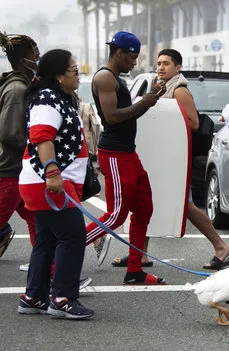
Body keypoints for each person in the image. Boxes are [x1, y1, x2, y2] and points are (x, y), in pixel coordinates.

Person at [83, 31, 167, 285]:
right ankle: (59, 253)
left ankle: (134, 270)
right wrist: (147, 102)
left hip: (127, 153)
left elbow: (125, 114)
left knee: (144, 209)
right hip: (115, 154)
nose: (135, 62)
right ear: (118, 52)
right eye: (132, 57)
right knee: (117, 214)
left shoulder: (115, 77)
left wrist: (148, 98)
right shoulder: (105, 77)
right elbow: (112, 117)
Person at [17, 49, 94, 319]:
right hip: (47, 182)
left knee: (48, 240)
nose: (78, 75)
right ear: (59, 76)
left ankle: (33, 296)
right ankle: (62, 298)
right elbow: (41, 136)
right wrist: (52, 171)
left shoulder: (61, 98)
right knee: (73, 237)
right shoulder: (48, 100)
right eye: (74, 71)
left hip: (48, 182)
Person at [157, 48, 229, 269]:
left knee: (186, 204)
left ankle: (221, 245)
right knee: (148, 202)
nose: (161, 67)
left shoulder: (179, 90)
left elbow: (193, 123)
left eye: (166, 63)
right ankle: (138, 253)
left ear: (177, 67)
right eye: (159, 63)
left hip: (176, 156)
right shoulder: (162, 87)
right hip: (164, 155)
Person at [0, 32, 38, 257]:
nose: (39, 59)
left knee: (41, 223)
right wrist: (39, 147)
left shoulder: (22, 85)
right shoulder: (17, 90)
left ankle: (48, 273)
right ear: (26, 61)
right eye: (37, 55)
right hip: (11, 172)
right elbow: (10, 133)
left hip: (21, 172)